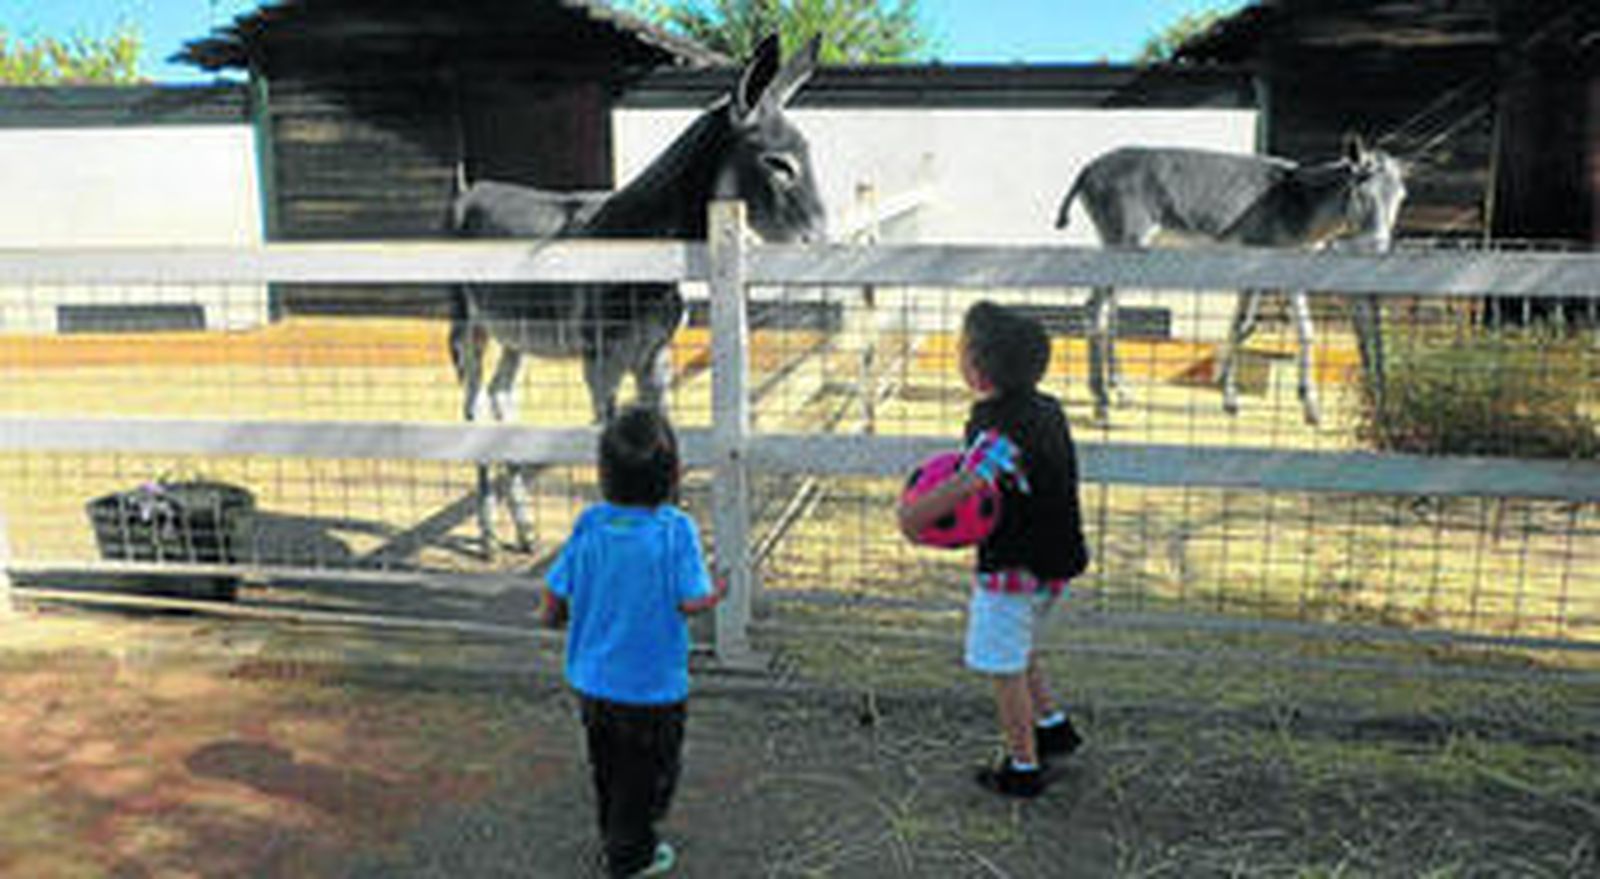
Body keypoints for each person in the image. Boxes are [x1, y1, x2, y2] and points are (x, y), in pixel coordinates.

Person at [898, 300, 1090, 798]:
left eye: (962, 350)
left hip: (1015, 567)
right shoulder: (1047, 409)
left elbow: (970, 481)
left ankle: (1022, 767)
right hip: (1055, 560)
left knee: (1001, 664)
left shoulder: (998, 430)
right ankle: (1053, 727)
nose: (958, 357)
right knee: (1020, 647)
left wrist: (914, 518)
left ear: (979, 373)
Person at [544, 405, 727, 876]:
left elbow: (555, 591)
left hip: (592, 682)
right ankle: (629, 857)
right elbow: (690, 601)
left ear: (604, 474)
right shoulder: (675, 531)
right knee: (650, 775)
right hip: (652, 687)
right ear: (674, 476)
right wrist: (717, 594)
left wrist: (553, 618)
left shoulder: (589, 525)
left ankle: (616, 833)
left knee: (607, 764)